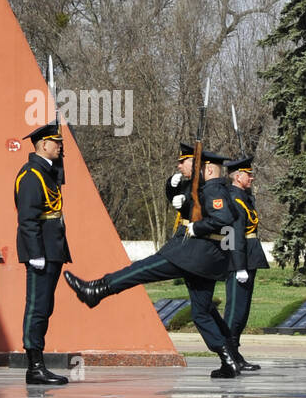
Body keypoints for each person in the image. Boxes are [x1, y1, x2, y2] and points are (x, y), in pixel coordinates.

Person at [64, 150, 247, 378]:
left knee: (142, 269)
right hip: (204, 259)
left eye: (191, 164)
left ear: (209, 170)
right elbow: (187, 200)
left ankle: (98, 289)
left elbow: (223, 217)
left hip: (193, 254)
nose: (183, 167)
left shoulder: (214, 188)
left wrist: (197, 228)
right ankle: (229, 358)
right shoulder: (206, 188)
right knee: (202, 312)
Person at [15, 123, 71, 385]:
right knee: (36, 308)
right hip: (41, 251)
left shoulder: (47, 172)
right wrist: (35, 253)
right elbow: (27, 219)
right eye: (56, 142)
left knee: (44, 307)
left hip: (53, 249)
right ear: (43, 145)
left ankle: (38, 364)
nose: (60, 146)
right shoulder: (31, 175)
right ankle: (34, 366)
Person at [223, 155, 268, 371]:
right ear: (238, 176)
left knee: (243, 310)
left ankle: (235, 352)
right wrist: (238, 264)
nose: (252, 178)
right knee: (235, 310)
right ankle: (229, 355)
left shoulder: (244, 197)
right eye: (248, 175)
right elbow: (235, 235)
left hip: (249, 256)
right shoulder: (234, 198)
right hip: (238, 259)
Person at [165, 143, 194, 227]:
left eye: (182, 162)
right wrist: (171, 185)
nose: (179, 166)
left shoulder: (206, 184)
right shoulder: (187, 184)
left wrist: (186, 200)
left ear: (193, 162)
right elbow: (172, 197)